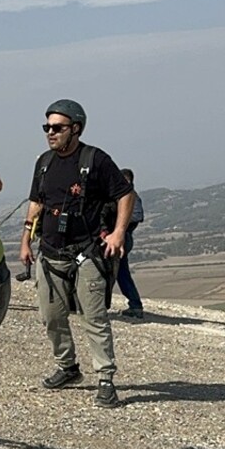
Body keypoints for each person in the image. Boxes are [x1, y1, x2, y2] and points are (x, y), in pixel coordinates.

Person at [19, 99, 135, 409]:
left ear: (76, 128)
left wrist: (118, 233)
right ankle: (68, 367)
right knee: (51, 316)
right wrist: (25, 241)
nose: (50, 133)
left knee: (93, 318)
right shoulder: (43, 163)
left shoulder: (95, 160)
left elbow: (125, 194)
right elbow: (36, 204)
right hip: (51, 252)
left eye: (57, 127)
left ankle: (105, 379)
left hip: (87, 253)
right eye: (47, 127)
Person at [116, 168, 146, 318]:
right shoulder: (122, 196)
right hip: (119, 237)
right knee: (119, 273)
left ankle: (135, 305)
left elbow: (137, 216)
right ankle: (135, 305)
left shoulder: (132, 197)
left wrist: (119, 225)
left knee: (121, 273)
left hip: (123, 238)